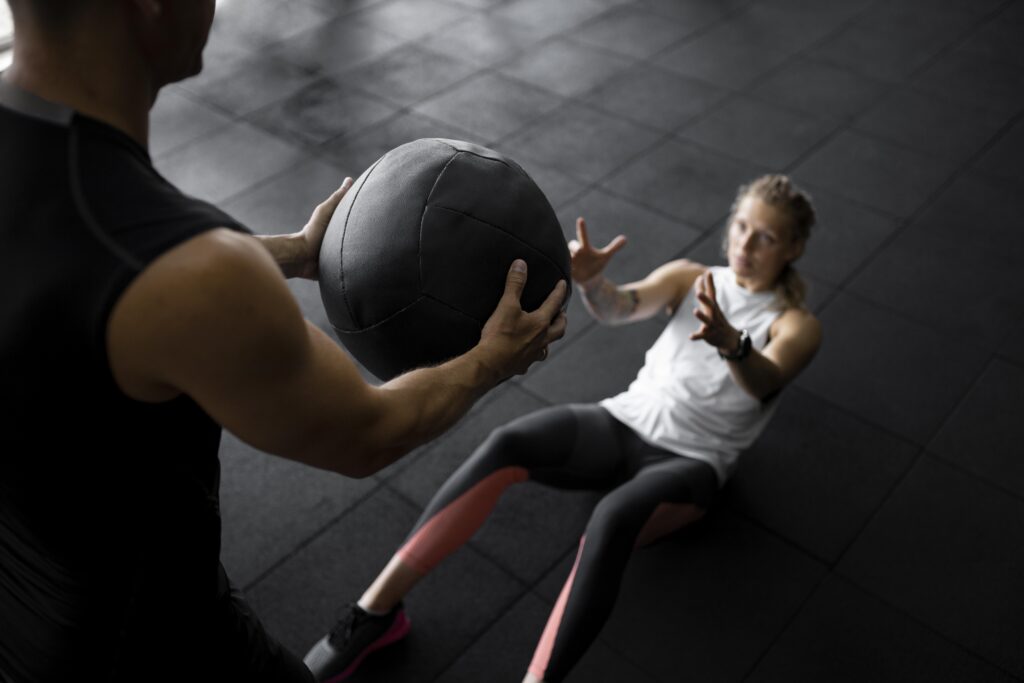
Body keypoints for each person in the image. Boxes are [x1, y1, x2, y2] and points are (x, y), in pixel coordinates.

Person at [0, 1, 567, 681]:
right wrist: (487, 362)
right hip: (149, 645)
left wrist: (297, 252)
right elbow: (369, 431)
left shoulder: (94, 213)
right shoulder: (184, 268)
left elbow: (83, 267)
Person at [303, 174, 823, 683]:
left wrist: (733, 343)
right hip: (626, 419)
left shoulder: (794, 325)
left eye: (767, 237)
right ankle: (373, 612)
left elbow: (764, 382)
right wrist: (593, 281)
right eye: (741, 227)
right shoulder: (692, 277)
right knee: (509, 442)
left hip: (692, 464)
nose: (745, 244)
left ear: (793, 247)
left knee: (611, 518)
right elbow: (621, 308)